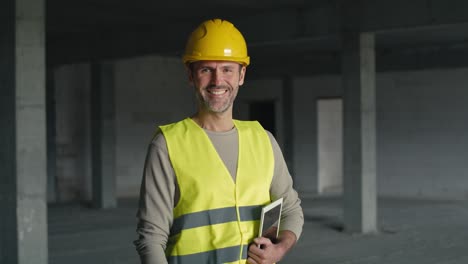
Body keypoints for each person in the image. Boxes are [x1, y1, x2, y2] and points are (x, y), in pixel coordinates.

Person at [134, 18, 304, 264]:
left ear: (241, 75)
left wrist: (280, 248)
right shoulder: (167, 144)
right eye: (206, 69)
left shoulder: (263, 141)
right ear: (191, 75)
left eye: (227, 69)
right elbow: (151, 237)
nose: (217, 81)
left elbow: (290, 210)